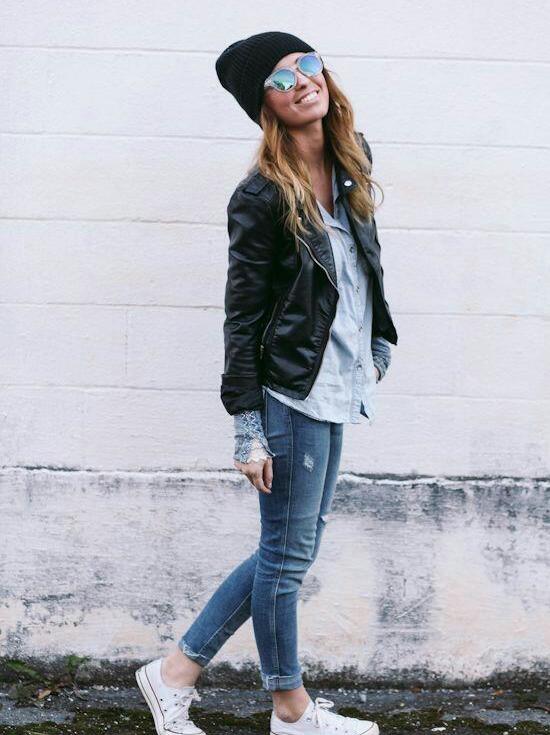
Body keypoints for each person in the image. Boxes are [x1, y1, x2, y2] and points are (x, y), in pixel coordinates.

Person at [135, 31, 398, 735]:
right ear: (265, 107)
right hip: (290, 393)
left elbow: (363, 261)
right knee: (285, 558)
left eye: (307, 64)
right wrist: (247, 428)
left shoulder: (352, 157)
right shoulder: (260, 195)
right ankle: (289, 708)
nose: (301, 81)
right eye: (281, 80)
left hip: (337, 380)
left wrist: (378, 339)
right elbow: (242, 315)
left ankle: (174, 672)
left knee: (288, 550)